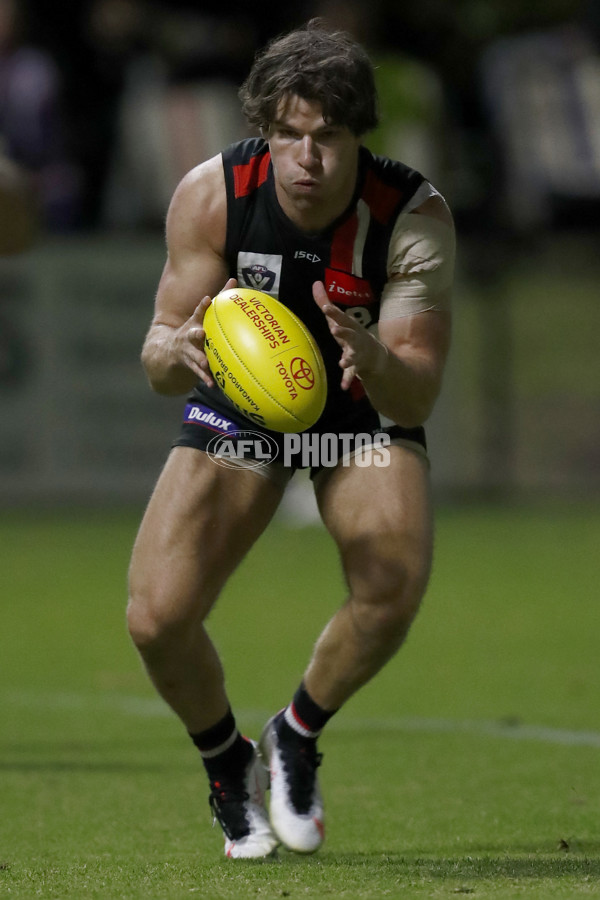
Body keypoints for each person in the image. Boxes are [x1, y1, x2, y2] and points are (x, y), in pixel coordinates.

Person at [127, 19, 455, 859]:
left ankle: (296, 733)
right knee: (157, 618)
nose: (307, 159)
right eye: (288, 135)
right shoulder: (213, 193)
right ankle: (226, 761)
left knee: (393, 585)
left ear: (359, 137)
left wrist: (375, 351)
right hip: (245, 404)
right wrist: (173, 348)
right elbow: (160, 357)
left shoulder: (411, 216)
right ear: (263, 130)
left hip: (358, 405)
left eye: (329, 137)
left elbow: (419, 386)